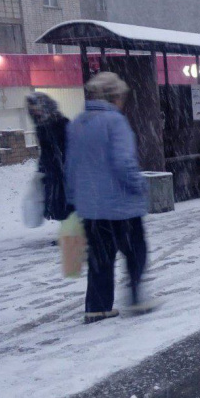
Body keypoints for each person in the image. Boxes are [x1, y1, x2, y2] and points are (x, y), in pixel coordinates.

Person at [64, 72, 149, 324]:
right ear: (115, 96)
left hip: (90, 206)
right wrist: (138, 185)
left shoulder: (78, 122)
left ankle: (97, 307)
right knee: (135, 251)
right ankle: (136, 297)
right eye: (121, 96)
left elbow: (70, 165)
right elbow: (123, 162)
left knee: (99, 257)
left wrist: (73, 196)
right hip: (120, 204)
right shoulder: (115, 121)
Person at [26, 93, 74, 222]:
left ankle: (71, 229)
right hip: (53, 173)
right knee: (60, 207)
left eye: (36, 107)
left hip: (65, 172)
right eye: (31, 108)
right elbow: (45, 151)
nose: (35, 111)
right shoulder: (41, 126)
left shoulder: (61, 123)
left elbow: (69, 147)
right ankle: (68, 228)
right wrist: (42, 168)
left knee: (67, 206)